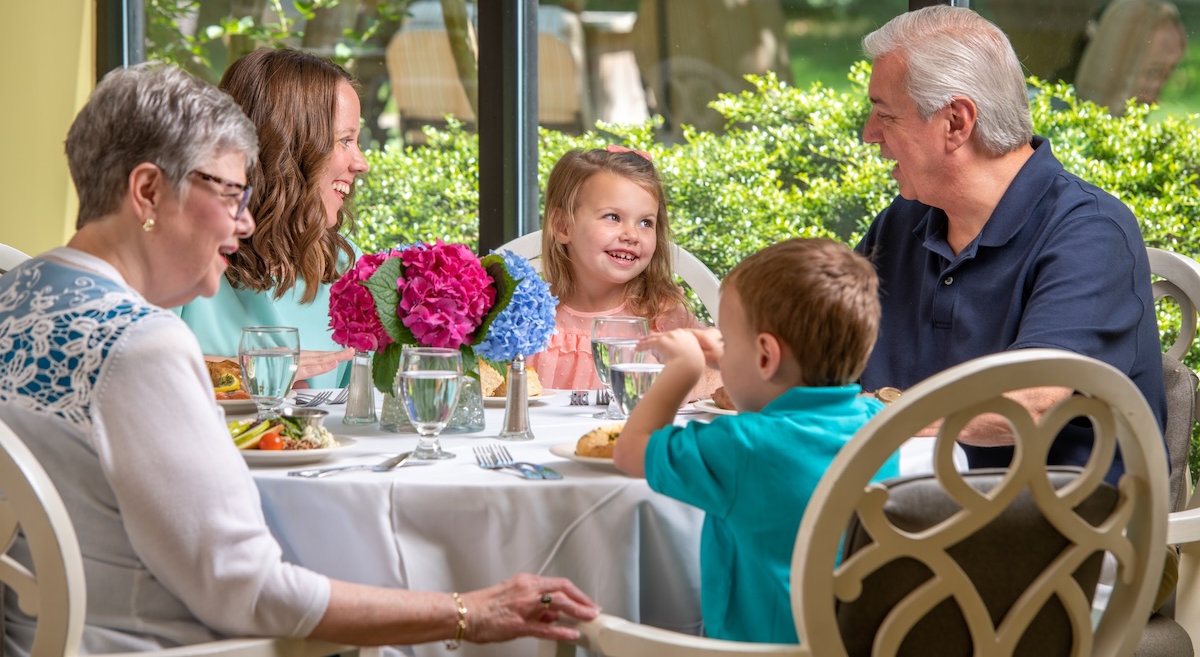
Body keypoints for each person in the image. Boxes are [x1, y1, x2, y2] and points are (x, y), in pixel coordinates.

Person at [0, 63, 598, 654]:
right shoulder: (142, 344)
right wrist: (468, 611)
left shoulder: (16, 294)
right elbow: (249, 590)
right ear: (149, 192)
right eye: (231, 194)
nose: (248, 220)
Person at [855, 4, 1167, 485]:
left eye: (885, 115)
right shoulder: (903, 222)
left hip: (1059, 536)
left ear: (956, 122)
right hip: (908, 508)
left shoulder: (1090, 232)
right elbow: (820, 352)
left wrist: (876, 413)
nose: (868, 135)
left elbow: (1027, 404)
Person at [613, 237, 899, 643]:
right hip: (852, 644)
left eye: (728, 340)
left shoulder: (738, 446)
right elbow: (781, 419)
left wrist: (683, 368)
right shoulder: (879, 424)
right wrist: (732, 357)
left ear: (766, 357)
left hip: (757, 649)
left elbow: (629, 452)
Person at [177, 47, 365, 387]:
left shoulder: (343, 263)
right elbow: (135, 370)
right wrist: (256, 371)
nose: (361, 162)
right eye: (345, 140)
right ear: (290, 147)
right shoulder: (180, 259)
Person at [528, 145, 717, 399]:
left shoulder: (662, 316)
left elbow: (721, 376)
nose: (631, 235)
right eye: (613, 217)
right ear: (563, 226)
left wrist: (681, 383)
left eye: (645, 222)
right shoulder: (530, 316)